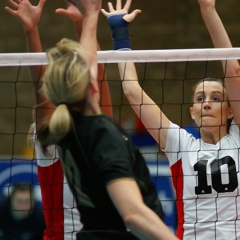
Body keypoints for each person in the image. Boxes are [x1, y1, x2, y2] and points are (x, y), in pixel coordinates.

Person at [36, 0, 179, 239]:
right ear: (91, 85)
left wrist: (90, 18)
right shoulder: (103, 136)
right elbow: (133, 215)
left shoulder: (68, 129)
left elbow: (88, 61)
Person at [105, 0, 240, 239]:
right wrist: (120, 33)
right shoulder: (181, 145)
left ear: (230, 111)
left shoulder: (238, 139)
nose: (206, 103)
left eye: (216, 98)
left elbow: (233, 70)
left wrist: (208, 9)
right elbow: (132, 92)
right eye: (200, 98)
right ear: (192, 112)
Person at [5, 0, 112, 239]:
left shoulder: (99, 131)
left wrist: (83, 23)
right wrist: (31, 30)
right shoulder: (51, 139)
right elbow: (40, 89)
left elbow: (98, 77)